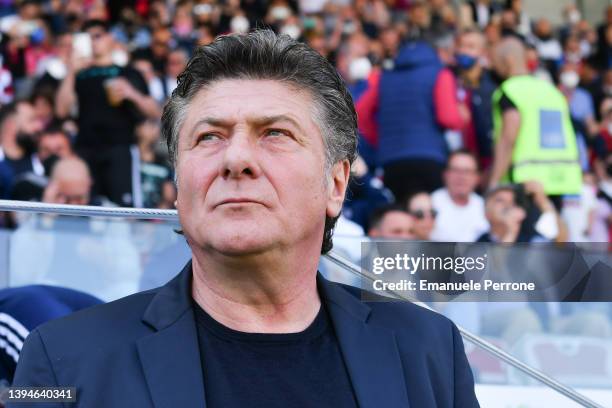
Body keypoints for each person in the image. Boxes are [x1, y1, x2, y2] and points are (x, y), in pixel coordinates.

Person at [11, 30, 479, 408]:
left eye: (275, 133)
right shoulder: (64, 360)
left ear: (336, 185)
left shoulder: (428, 349)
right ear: (177, 184)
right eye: (209, 136)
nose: (236, 158)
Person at [55, 19, 160, 207]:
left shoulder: (128, 72)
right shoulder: (78, 75)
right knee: (87, 210)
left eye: (97, 36)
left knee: (125, 210)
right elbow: (61, 110)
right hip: (86, 148)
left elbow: (154, 111)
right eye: (88, 38)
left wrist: (132, 94)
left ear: (111, 38)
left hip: (120, 148)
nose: (93, 41)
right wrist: (71, 71)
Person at [356, 40, 467, 204]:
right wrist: (463, 117)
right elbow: (448, 118)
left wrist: (380, 140)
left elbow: (360, 113)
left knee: (402, 212)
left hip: (392, 161)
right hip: (431, 158)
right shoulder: (440, 73)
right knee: (428, 214)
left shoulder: (384, 78)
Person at [488, 37, 582, 209]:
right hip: (561, 180)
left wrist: (493, 183)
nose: (492, 67)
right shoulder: (551, 90)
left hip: (526, 183)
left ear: (508, 60)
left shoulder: (509, 90)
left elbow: (509, 137)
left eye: (494, 61)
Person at [431, 149, 489, 242]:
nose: (461, 176)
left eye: (467, 171)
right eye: (455, 170)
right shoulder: (430, 203)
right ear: (445, 174)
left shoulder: (486, 208)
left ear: (478, 178)